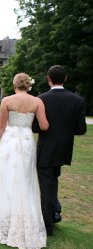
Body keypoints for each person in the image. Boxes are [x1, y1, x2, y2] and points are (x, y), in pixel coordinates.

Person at [0, 73, 49, 249]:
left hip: (9, 142)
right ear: (28, 85)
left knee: (6, 179)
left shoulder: (7, 100)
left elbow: (1, 127)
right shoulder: (37, 102)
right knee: (25, 181)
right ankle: (24, 222)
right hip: (27, 141)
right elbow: (44, 126)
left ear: (14, 84)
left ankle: (5, 220)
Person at [32, 65, 87, 236]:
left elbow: (35, 127)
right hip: (63, 149)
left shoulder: (41, 99)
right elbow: (81, 129)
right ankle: (55, 211)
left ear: (49, 78)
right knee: (53, 181)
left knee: (47, 186)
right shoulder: (77, 101)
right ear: (65, 78)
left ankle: (48, 226)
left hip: (47, 149)